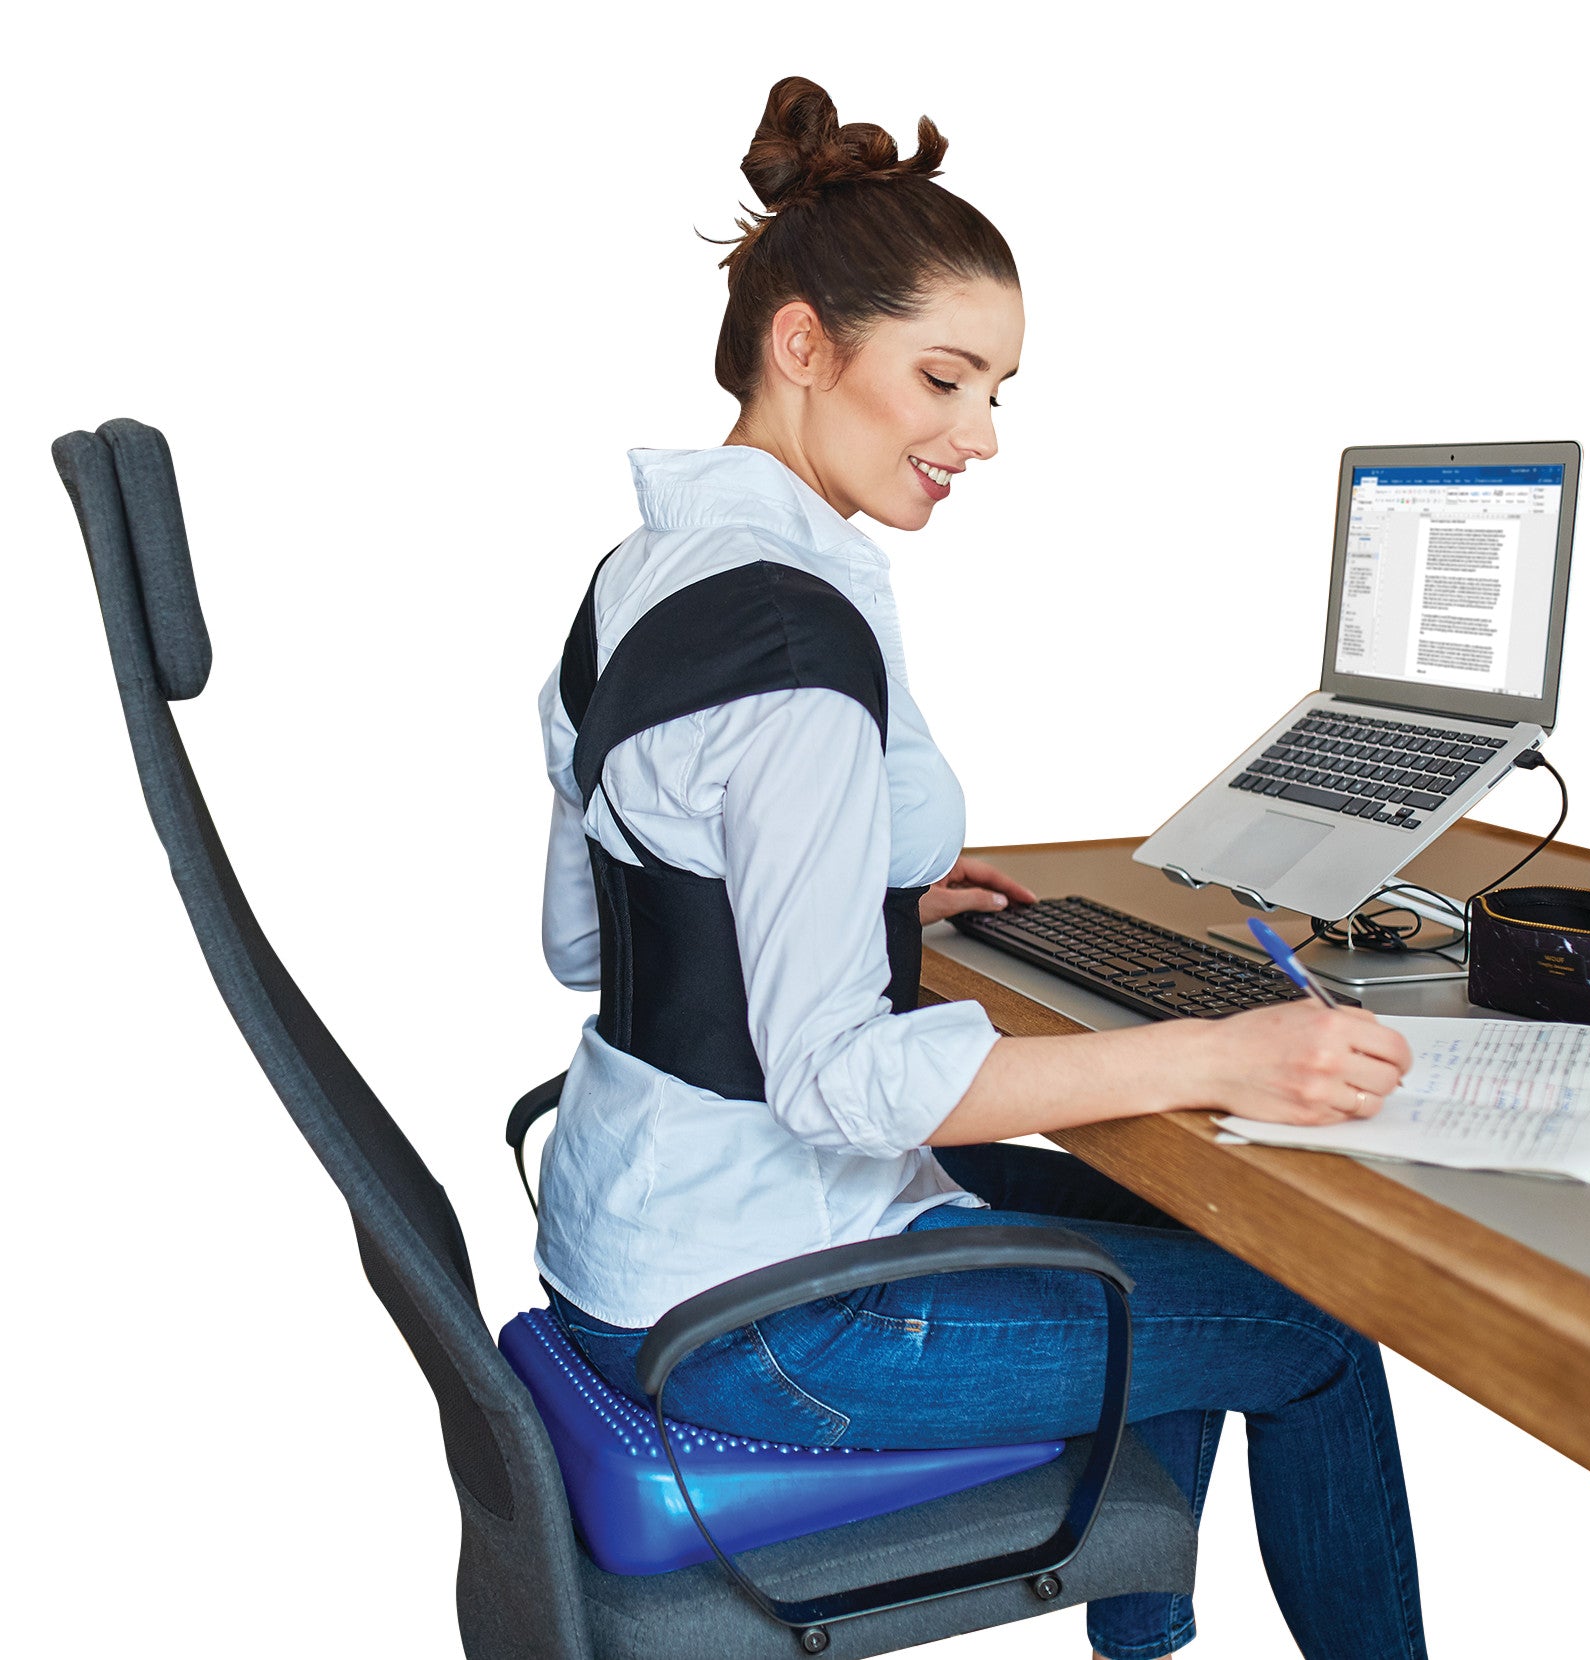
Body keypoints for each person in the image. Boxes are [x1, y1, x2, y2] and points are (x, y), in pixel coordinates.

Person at [533, 75, 1427, 1660]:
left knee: (1202, 1246)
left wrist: (851, 891)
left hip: (635, 1240)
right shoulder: (799, 655)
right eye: (947, 381)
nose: (985, 436)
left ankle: (1137, 1635)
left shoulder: (642, 580)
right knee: (1315, 1332)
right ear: (803, 344)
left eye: (1001, 390)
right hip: (771, 1318)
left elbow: (587, 937)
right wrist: (1233, 1050)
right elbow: (847, 1091)